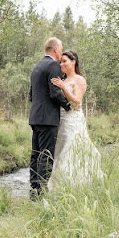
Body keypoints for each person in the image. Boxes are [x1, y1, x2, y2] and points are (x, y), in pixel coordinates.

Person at [48, 50, 103, 190]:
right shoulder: (63, 79)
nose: (61, 64)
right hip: (61, 120)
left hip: (73, 119)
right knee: (60, 152)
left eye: (64, 61)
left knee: (71, 150)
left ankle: (77, 186)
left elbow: (76, 101)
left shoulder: (79, 79)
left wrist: (63, 88)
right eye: (60, 62)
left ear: (74, 61)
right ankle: (59, 187)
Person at [29, 37, 71, 199]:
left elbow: (31, 94)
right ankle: (41, 194)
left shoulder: (37, 66)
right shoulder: (53, 65)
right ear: (55, 49)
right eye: (61, 49)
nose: (61, 53)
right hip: (48, 118)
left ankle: (33, 191)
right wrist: (68, 106)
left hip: (35, 117)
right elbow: (54, 93)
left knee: (36, 155)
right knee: (46, 156)